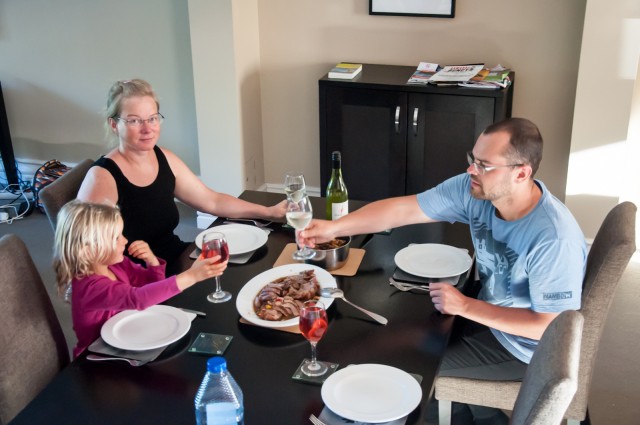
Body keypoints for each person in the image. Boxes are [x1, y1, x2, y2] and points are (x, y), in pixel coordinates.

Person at [300, 117, 587, 423]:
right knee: (397, 337)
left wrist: (465, 305)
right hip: (489, 313)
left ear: (521, 173)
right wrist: (335, 227)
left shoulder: (553, 238)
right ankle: (469, 414)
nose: (471, 170)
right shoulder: (474, 191)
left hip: (524, 349)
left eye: (484, 165)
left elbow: (550, 327)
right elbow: (403, 209)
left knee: (410, 375)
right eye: (472, 159)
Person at [77, 79, 286, 273]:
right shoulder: (102, 177)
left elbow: (211, 201)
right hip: (138, 279)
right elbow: (84, 252)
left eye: (152, 118)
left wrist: (268, 213)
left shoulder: (163, 157)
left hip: (174, 258)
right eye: (134, 121)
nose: (147, 128)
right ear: (114, 125)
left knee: (250, 267)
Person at [52, 200, 227, 358]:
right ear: (88, 251)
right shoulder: (89, 287)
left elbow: (151, 289)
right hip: (99, 358)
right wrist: (191, 276)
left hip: (129, 340)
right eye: (116, 238)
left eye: (122, 234)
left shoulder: (115, 264)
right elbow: (137, 298)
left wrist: (152, 262)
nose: (125, 241)